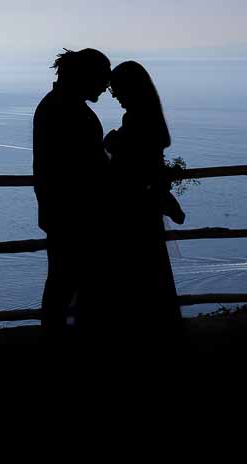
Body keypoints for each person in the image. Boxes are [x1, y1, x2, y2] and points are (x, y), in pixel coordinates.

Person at [103, 60, 186, 346]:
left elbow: (124, 155)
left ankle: (141, 332)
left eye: (117, 90)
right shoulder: (151, 116)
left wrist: (112, 140)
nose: (115, 96)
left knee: (136, 270)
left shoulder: (136, 120)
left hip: (133, 207)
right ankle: (158, 329)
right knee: (152, 269)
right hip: (146, 206)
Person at [32, 48, 112, 340]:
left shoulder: (55, 105)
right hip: (75, 214)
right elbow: (89, 167)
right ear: (85, 77)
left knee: (63, 282)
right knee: (71, 282)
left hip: (60, 212)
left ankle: (58, 338)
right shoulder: (69, 111)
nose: (106, 86)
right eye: (102, 79)